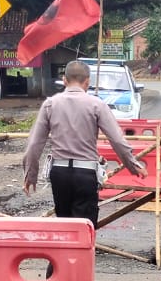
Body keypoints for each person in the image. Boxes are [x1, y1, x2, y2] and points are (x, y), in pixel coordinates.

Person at [23, 59, 145, 226]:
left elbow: (34, 145)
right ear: (87, 81)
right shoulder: (97, 105)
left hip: (59, 174)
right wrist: (133, 165)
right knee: (85, 227)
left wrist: (31, 175)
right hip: (85, 174)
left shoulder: (50, 104)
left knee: (65, 226)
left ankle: (66, 252)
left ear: (64, 80)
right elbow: (116, 139)